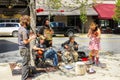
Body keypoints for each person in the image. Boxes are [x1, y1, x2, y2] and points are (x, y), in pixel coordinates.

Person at [18, 15, 36, 80]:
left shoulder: (21, 28)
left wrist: (29, 36)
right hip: (24, 48)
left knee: (26, 62)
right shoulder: (24, 30)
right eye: (29, 21)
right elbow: (25, 42)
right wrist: (32, 38)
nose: (29, 22)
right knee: (25, 64)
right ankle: (24, 78)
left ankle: (27, 74)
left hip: (22, 48)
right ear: (26, 21)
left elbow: (23, 39)